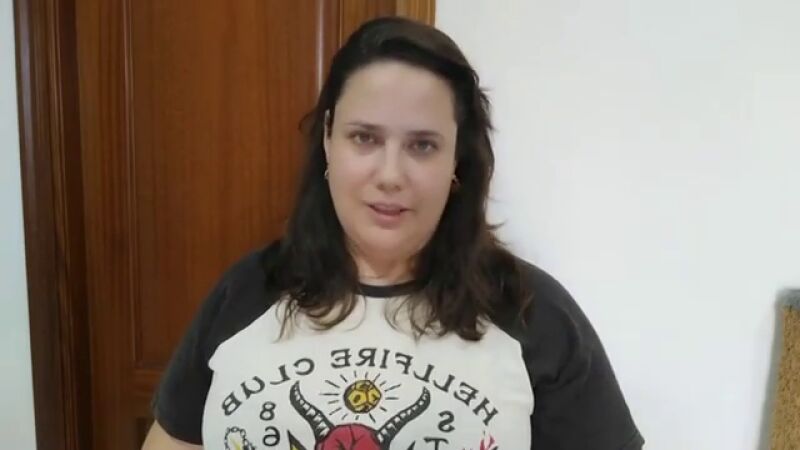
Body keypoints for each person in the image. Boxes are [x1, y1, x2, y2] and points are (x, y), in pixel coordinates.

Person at [142, 16, 643, 450]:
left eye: (422, 145)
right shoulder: (245, 293)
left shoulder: (534, 313)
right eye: (364, 137)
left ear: (456, 159)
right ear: (328, 139)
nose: (390, 174)